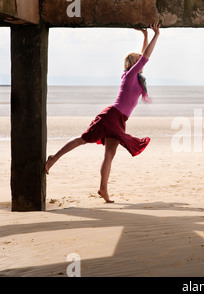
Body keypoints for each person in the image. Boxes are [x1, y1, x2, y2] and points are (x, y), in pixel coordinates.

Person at [45, 22, 161, 203]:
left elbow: (142, 55)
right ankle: (53, 158)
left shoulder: (133, 77)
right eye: (138, 61)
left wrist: (145, 37)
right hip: (111, 116)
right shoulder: (130, 75)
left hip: (119, 119)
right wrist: (156, 35)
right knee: (83, 139)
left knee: (110, 154)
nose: (142, 63)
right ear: (133, 65)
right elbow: (145, 56)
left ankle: (103, 189)